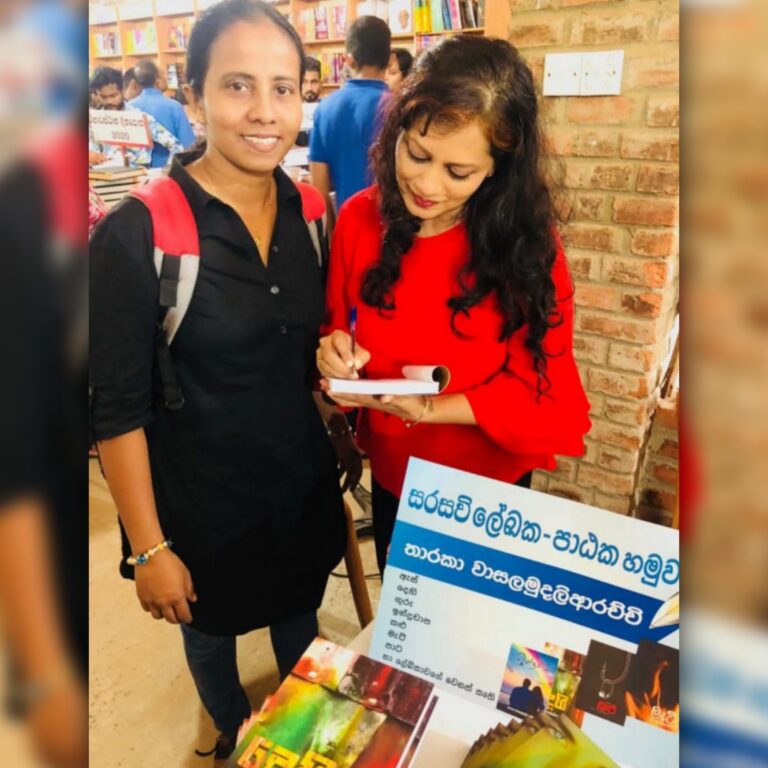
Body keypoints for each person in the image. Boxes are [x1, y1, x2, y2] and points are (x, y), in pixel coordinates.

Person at [90, 0, 360, 762]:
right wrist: (150, 550)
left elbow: (309, 344)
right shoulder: (138, 233)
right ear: (194, 96)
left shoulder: (313, 214)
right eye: (238, 86)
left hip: (299, 486)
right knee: (210, 632)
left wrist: (337, 365)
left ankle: (301, 727)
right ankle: (227, 730)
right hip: (199, 504)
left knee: (299, 615)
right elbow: (115, 409)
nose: (265, 112)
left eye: (284, 88)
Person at [317, 35, 591, 576]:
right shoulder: (359, 219)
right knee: (407, 609)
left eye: (457, 172)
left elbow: (540, 385)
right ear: (397, 132)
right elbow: (337, 327)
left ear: (497, 169)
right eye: (416, 153)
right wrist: (336, 355)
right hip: (397, 470)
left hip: (487, 482)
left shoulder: (525, 246)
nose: (425, 184)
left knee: (477, 616)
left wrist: (431, 410)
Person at [309, 15, 391, 227]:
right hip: (393, 231)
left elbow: (319, 190)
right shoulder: (400, 107)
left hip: (346, 228)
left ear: (349, 60)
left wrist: (333, 236)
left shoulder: (324, 109)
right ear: (390, 59)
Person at [88, 66, 185, 167]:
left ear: (122, 91)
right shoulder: (94, 120)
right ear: (96, 94)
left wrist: (168, 168)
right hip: (103, 173)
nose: (109, 101)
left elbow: (176, 146)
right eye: (103, 97)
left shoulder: (140, 119)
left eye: (113, 95)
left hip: (137, 174)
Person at [128, 58, 196, 167]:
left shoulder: (129, 107)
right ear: (158, 82)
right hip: (169, 169)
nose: (166, 77)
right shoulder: (174, 107)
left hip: (137, 171)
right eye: (164, 74)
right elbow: (188, 145)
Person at [296, 56, 322, 148]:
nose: (309, 88)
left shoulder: (329, 111)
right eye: (305, 82)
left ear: (321, 83)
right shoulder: (290, 111)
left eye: (314, 82)